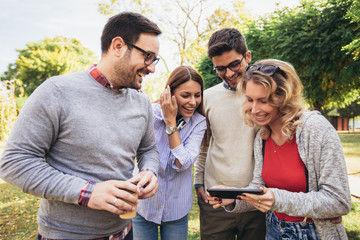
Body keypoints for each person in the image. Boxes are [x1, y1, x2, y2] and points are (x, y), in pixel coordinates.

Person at [0, 12, 162, 240]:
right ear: (118, 46)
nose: (152, 68)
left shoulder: (143, 101)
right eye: (148, 57)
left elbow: (148, 150)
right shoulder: (56, 92)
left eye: (154, 60)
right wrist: (88, 192)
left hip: (124, 232)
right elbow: (14, 163)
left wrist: (149, 170)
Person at [208, 59, 352, 240]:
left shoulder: (315, 129)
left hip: (312, 232)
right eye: (250, 99)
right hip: (274, 230)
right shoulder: (262, 137)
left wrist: (277, 199)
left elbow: (339, 201)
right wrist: (235, 197)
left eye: (263, 100)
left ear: (284, 96)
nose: (254, 109)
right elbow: (261, 189)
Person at [193, 28, 266, 239]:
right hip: (215, 199)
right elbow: (204, 145)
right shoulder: (206, 98)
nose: (230, 73)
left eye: (235, 64)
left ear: (248, 56)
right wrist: (199, 181)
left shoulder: (264, 97)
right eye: (221, 68)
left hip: (255, 198)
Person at [132, 66, 207, 240]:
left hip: (176, 208)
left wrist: (170, 123)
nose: (193, 102)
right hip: (144, 205)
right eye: (185, 95)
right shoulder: (150, 113)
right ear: (169, 93)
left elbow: (183, 162)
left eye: (197, 95)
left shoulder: (198, 122)